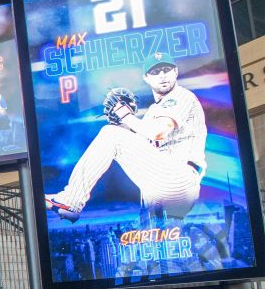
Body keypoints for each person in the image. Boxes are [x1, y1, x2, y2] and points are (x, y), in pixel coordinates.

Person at [46, 53, 207, 223]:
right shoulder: (153, 111)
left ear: (175, 72)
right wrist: (121, 123)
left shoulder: (181, 96)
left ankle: (70, 201)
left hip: (180, 177)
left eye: (166, 69)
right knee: (157, 236)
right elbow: (137, 145)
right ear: (146, 78)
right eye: (156, 71)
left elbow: (158, 132)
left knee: (110, 134)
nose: (162, 75)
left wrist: (124, 114)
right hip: (162, 189)